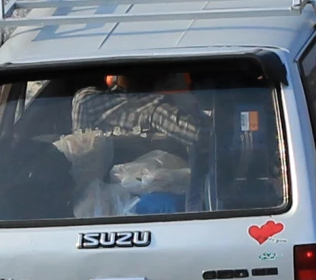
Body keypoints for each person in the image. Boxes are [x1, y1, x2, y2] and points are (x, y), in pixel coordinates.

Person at [71, 71, 212, 212]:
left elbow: (81, 152)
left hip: (107, 200)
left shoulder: (87, 102)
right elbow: (202, 137)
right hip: (109, 198)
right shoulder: (157, 109)